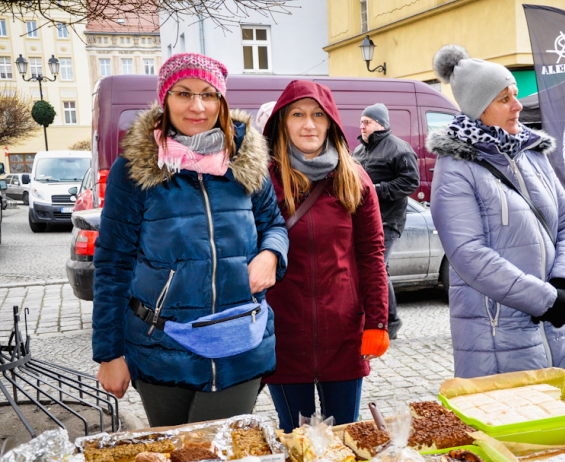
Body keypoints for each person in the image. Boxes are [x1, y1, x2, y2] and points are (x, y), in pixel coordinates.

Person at [92, 54, 289, 427]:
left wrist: (271, 253)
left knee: (219, 461)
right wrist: (109, 354)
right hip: (162, 346)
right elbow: (112, 262)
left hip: (240, 343)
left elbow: (274, 224)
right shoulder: (135, 170)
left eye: (209, 94)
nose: (198, 106)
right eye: (184, 93)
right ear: (165, 99)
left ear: (222, 101)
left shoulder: (246, 161)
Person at [426, 45, 565, 378]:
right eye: (504, 99)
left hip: (558, 328)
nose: (518, 105)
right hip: (498, 337)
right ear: (477, 110)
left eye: (514, 94)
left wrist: (563, 281)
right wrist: (543, 299)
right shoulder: (456, 167)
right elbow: (469, 254)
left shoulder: (532, 154)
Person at [263, 80, 389, 433]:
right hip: (284, 337)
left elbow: (371, 255)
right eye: (298, 115)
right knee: (296, 438)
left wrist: (376, 322)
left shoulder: (355, 179)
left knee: (344, 436)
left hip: (344, 335)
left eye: (318, 115)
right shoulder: (265, 180)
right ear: (282, 123)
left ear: (331, 121)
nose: (309, 125)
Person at [352, 103, 420, 340]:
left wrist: (376, 190)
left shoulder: (400, 149)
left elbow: (411, 182)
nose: (362, 125)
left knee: (379, 267)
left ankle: (390, 321)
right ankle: (376, 318)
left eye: (367, 121)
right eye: (361, 121)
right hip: (363, 219)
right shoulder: (358, 152)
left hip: (388, 220)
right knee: (373, 268)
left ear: (381, 124)